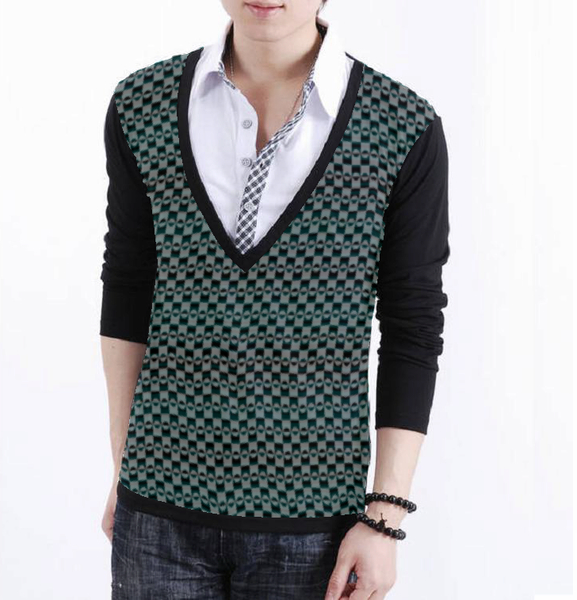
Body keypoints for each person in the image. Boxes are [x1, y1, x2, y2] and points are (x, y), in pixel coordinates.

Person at [99, 0, 450, 598]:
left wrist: (385, 518)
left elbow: (412, 325)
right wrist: (123, 466)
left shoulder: (401, 126)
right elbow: (128, 291)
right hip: (158, 515)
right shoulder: (143, 104)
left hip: (317, 526)